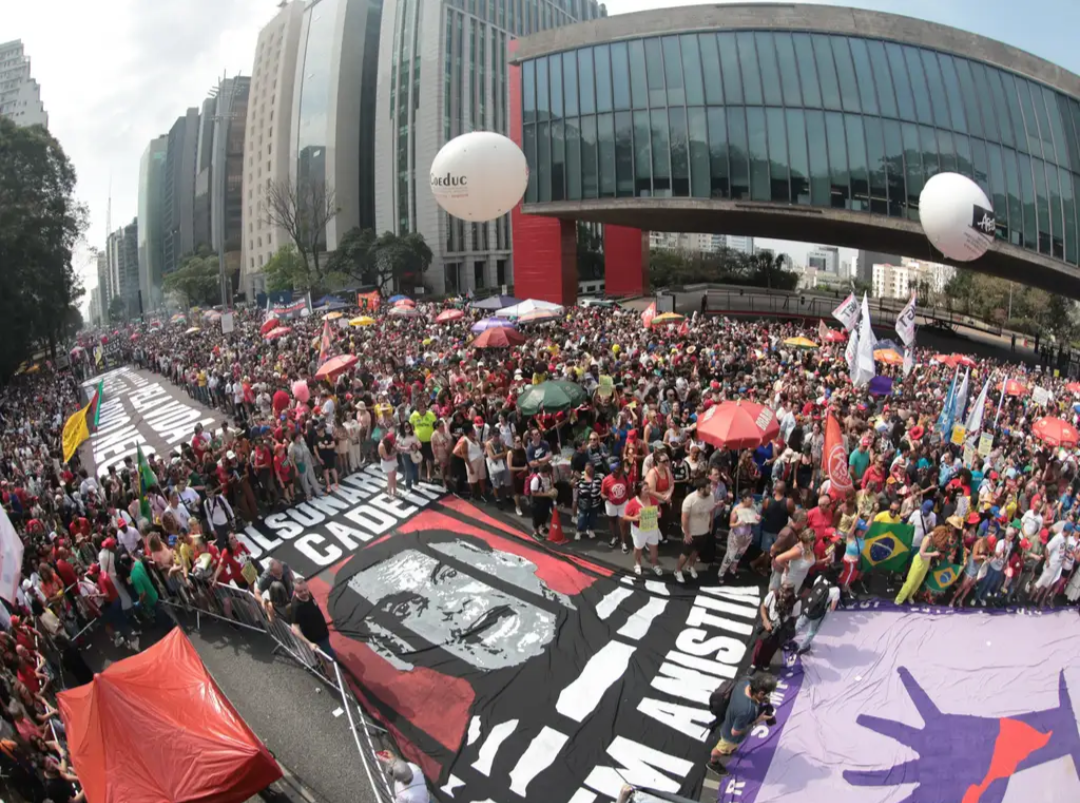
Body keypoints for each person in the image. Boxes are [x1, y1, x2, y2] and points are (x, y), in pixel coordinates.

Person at [707, 671, 778, 776]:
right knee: (721, 749)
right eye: (766, 694)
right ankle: (713, 763)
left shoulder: (746, 681)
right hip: (730, 736)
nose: (767, 696)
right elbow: (735, 732)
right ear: (761, 692)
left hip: (731, 717)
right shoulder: (746, 710)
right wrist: (757, 721)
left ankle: (727, 751)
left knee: (728, 748)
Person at [675, 477, 716, 583]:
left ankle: (690, 566)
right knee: (685, 553)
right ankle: (678, 570)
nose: (710, 488)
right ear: (701, 489)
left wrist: (711, 524)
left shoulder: (711, 496)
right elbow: (684, 518)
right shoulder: (690, 500)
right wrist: (687, 533)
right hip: (691, 532)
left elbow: (711, 511)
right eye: (708, 487)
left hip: (704, 531)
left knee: (696, 551)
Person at [896, 525, 950, 604]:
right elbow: (921, 553)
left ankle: (909, 596)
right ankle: (899, 599)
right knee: (911, 581)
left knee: (918, 581)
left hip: (926, 562)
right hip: (919, 561)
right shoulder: (928, 538)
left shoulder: (934, 539)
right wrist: (934, 554)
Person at [790, 574, 841, 655]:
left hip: (808, 607)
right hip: (818, 613)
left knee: (799, 624)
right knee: (811, 631)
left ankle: (788, 638)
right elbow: (832, 608)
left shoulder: (819, 578)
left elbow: (813, 591)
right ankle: (802, 647)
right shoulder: (836, 590)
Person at [288, 577, 336, 660]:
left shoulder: (308, 594)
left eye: (305, 589)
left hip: (323, 631)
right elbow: (294, 628)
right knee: (331, 659)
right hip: (316, 637)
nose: (304, 592)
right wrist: (309, 643)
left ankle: (327, 669)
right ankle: (332, 671)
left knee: (324, 655)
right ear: (295, 591)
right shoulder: (296, 607)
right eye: (300, 591)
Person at [624, 482, 663, 576]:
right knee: (638, 548)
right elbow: (625, 517)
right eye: (645, 489)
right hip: (639, 530)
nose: (648, 491)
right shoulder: (633, 502)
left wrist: (659, 514)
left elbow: (659, 509)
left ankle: (655, 565)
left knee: (654, 548)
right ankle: (637, 564)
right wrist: (634, 518)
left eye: (648, 489)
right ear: (639, 491)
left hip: (652, 528)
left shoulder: (653, 500)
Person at [601, 459, 630, 553]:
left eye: (619, 470)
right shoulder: (606, 480)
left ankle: (624, 542)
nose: (618, 473)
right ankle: (614, 537)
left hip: (623, 503)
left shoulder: (624, 477)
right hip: (611, 504)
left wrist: (631, 500)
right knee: (612, 521)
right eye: (616, 471)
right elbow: (602, 493)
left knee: (623, 523)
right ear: (612, 471)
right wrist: (606, 498)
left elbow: (629, 489)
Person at [575, 461, 602, 540]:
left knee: (592, 518)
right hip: (583, 502)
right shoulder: (580, 476)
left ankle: (590, 529)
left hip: (595, 503)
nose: (588, 472)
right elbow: (574, 485)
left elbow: (602, 487)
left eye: (590, 470)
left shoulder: (599, 477)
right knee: (582, 517)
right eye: (586, 470)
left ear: (593, 469)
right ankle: (579, 531)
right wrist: (574, 479)